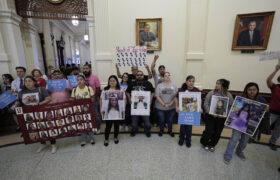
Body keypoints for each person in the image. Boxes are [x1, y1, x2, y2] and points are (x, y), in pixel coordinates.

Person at [223, 82, 267, 164]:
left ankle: (239, 152)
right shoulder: (240, 97)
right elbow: (235, 110)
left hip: (248, 124)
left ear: (257, 91)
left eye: (254, 90)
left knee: (244, 141)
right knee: (234, 139)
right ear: (246, 90)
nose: (252, 91)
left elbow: (263, 110)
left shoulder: (261, 100)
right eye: (249, 89)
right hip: (237, 124)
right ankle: (228, 155)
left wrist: (266, 109)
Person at [12, 76, 57, 153]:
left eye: (29, 81)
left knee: (47, 127)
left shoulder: (41, 89)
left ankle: (53, 144)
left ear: (34, 82)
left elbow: (48, 99)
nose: (27, 83)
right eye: (26, 81)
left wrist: (39, 103)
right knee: (35, 129)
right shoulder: (22, 92)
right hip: (29, 114)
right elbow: (18, 101)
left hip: (41, 112)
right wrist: (15, 105)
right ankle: (42, 143)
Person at [200, 79, 233, 152]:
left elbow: (231, 107)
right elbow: (206, 103)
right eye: (216, 83)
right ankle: (204, 143)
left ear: (224, 86)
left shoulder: (229, 95)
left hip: (221, 118)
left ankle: (212, 144)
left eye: (219, 84)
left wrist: (224, 114)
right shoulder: (211, 93)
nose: (216, 85)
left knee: (217, 132)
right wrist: (210, 112)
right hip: (210, 116)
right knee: (209, 131)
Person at [126, 70, 154, 137]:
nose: (139, 76)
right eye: (138, 75)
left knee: (147, 123)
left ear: (143, 76)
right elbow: (127, 92)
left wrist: (150, 100)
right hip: (135, 106)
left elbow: (153, 92)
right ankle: (134, 131)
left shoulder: (148, 83)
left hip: (145, 106)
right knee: (134, 124)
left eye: (141, 75)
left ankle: (147, 131)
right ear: (136, 76)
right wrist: (129, 99)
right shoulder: (132, 83)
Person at [176, 75, 201, 147]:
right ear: (186, 81)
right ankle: (181, 139)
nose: (191, 83)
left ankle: (188, 140)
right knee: (182, 127)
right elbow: (176, 99)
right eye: (190, 81)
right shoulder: (181, 90)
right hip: (183, 112)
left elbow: (199, 100)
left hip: (192, 112)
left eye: (193, 81)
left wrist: (200, 108)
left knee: (189, 128)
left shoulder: (196, 90)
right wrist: (177, 107)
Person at [100, 75, 126, 146]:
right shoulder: (105, 90)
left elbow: (124, 99)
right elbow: (101, 99)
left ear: (116, 82)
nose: (112, 82)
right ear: (108, 82)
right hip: (108, 113)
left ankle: (115, 137)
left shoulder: (120, 90)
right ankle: (106, 138)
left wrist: (124, 108)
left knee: (116, 126)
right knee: (108, 126)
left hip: (118, 112)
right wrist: (101, 108)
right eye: (110, 81)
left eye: (113, 81)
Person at [71, 75, 95, 146]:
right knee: (81, 124)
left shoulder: (89, 88)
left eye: (81, 79)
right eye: (78, 80)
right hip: (79, 111)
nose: (79, 81)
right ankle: (83, 140)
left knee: (89, 124)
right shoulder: (74, 90)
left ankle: (92, 139)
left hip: (88, 110)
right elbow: (72, 99)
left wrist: (92, 99)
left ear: (84, 80)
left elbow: (93, 98)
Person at [155, 72, 177, 137]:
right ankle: (161, 130)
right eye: (165, 76)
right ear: (163, 77)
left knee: (170, 120)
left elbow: (176, 96)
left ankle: (170, 131)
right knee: (161, 120)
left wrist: (170, 103)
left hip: (171, 107)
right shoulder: (159, 86)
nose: (167, 77)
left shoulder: (174, 85)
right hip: (160, 107)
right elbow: (157, 96)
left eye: (168, 75)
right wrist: (164, 104)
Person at [83, 64, 102, 134]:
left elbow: (98, 88)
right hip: (84, 100)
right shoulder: (81, 78)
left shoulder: (95, 77)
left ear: (90, 69)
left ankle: (98, 128)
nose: (85, 70)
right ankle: (89, 128)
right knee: (87, 116)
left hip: (94, 100)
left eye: (87, 68)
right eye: (84, 68)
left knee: (96, 115)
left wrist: (94, 97)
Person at [267, 64, 280, 151]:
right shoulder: (275, 87)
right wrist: (276, 70)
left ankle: (272, 142)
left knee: (278, 130)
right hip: (272, 111)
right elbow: (268, 80)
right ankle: (252, 137)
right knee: (264, 125)